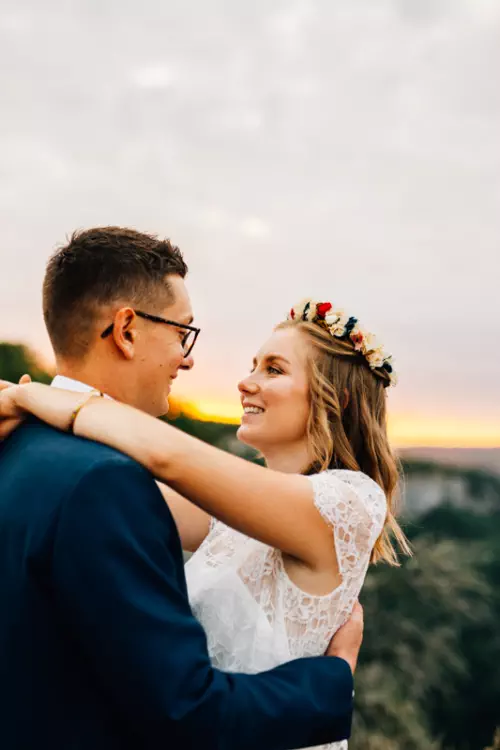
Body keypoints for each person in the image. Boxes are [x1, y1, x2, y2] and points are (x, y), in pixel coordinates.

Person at [0, 227, 360, 750]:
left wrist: (39, 400)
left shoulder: (16, 448)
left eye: (274, 369)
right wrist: (335, 679)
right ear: (126, 330)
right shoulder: (106, 482)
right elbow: (183, 711)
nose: (189, 359)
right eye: (181, 332)